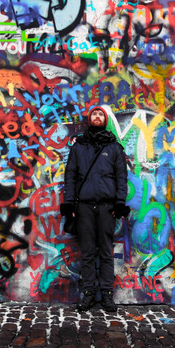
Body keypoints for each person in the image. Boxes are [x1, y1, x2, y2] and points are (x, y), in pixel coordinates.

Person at [61, 106, 130, 312]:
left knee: (106, 252)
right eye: (94, 114)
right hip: (84, 206)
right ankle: (89, 293)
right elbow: (70, 176)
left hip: (107, 207)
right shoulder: (79, 146)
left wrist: (119, 203)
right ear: (89, 119)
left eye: (100, 114)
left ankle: (107, 294)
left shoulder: (114, 147)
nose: (97, 116)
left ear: (105, 120)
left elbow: (121, 177)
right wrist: (69, 203)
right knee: (88, 252)